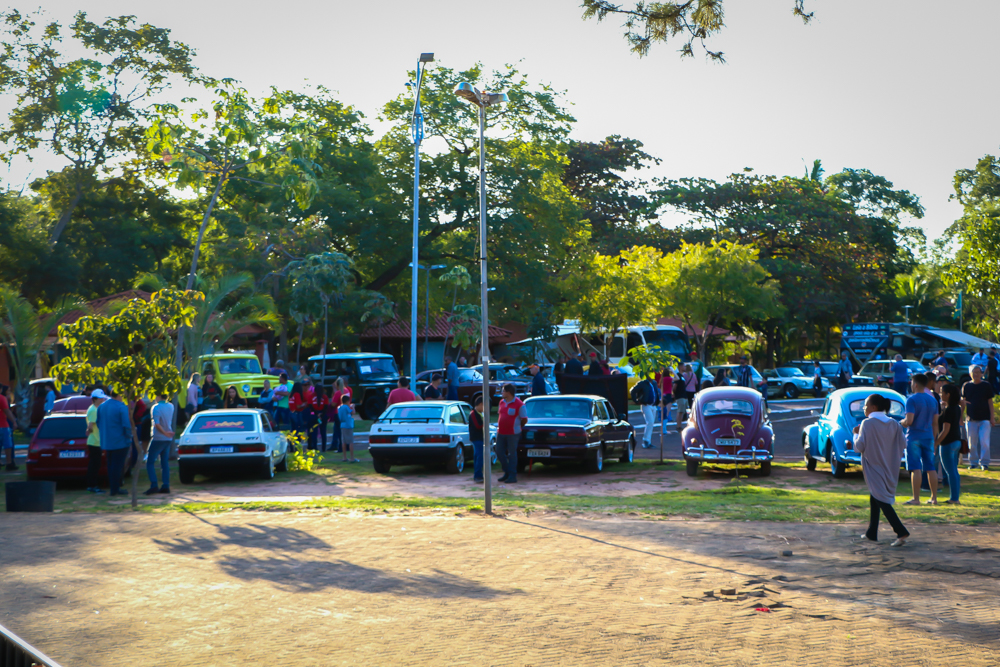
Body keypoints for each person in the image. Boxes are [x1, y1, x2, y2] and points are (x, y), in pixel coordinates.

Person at [853, 393, 909, 546]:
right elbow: (903, 444)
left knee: (881, 500)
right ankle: (872, 532)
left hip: (874, 466)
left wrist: (855, 435)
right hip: (889, 467)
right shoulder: (895, 424)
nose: (864, 408)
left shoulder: (867, 423)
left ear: (873, 407)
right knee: (875, 496)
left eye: (865, 405)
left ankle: (900, 531)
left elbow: (859, 447)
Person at [900, 373, 939, 505]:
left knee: (915, 468)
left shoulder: (911, 400)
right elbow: (935, 423)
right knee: (930, 467)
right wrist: (934, 439)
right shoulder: (933, 400)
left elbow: (909, 420)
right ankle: (934, 498)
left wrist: (902, 422)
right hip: (928, 436)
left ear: (915, 384)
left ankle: (916, 498)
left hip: (914, 436)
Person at [96, 388, 132, 497]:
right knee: (118, 466)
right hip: (120, 441)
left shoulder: (102, 406)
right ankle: (115, 489)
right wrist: (129, 437)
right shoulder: (121, 407)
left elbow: (98, 423)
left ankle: (113, 488)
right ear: (120, 395)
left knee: (111, 465)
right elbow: (126, 425)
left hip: (107, 441)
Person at [962, 364, 995, 471]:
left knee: (984, 442)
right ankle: (973, 462)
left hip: (984, 418)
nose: (976, 374)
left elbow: (990, 402)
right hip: (971, 419)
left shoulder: (986, 385)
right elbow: (963, 402)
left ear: (981, 373)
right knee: (972, 442)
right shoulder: (966, 386)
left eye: (978, 372)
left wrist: (992, 417)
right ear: (970, 374)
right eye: (973, 372)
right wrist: (960, 417)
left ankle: (984, 463)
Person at [936, 383, 964, 505]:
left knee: (950, 471)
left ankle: (954, 498)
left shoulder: (948, 410)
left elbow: (945, 430)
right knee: (954, 470)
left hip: (947, 443)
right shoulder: (956, 408)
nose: (941, 394)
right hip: (957, 441)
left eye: (942, 392)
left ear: (948, 395)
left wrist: (936, 443)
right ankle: (955, 496)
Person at [496, 384, 527, 484]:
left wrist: (517, 427)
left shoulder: (520, 404)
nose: (502, 392)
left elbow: (524, 419)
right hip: (501, 432)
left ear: (508, 392)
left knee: (512, 454)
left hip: (513, 433)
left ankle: (512, 475)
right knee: (499, 452)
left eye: (503, 391)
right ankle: (507, 472)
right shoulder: (501, 402)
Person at [145, 393, 174, 495]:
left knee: (150, 462)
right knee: (164, 462)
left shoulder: (156, 407)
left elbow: (157, 424)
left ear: (158, 396)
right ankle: (166, 485)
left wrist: (164, 433)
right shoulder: (171, 406)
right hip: (168, 438)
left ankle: (154, 485)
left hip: (158, 437)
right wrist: (167, 433)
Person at [84, 388, 106, 491]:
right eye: (100, 398)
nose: (102, 400)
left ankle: (92, 485)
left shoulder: (97, 408)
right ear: (95, 399)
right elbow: (91, 425)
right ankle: (92, 485)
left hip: (97, 441)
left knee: (96, 464)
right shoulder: (93, 410)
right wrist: (89, 430)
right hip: (94, 442)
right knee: (94, 465)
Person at [634, 374, 661, 449]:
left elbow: (656, 393)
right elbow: (633, 391)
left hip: (653, 405)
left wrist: (658, 401)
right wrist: (637, 400)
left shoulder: (654, 383)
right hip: (646, 405)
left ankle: (648, 441)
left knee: (651, 423)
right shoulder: (642, 383)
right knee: (650, 421)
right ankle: (646, 440)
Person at [330, 377, 352, 453]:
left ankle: (340, 447)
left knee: (338, 431)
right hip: (346, 413)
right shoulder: (347, 391)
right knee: (346, 431)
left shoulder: (338, 392)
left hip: (338, 413)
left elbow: (333, 403)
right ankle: (348, 446)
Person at [469, 396, 487, 483]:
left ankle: (478, 474)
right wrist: (485, 422)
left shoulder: (480, 413)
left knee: (478, 456)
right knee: (479, 457)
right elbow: (477, 425)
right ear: (480, 404)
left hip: (480, 438)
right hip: (476, 438)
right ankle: (478, 475)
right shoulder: (473, 414)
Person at [0, 384, 17, 472]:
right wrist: (14, 421)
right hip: (3, 425)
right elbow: (7, 411)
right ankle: (9, 463)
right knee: (8, 445)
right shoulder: (2, 398)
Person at [338, 393, 358, 463]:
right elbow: (353, 412)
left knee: (344, 441)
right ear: (347, 401)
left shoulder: (339, 407)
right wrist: (353, 407)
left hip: (342, 425)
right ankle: (352, 458)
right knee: (351, 442)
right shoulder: (346, 407)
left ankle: (344, 457)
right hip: (348, 425)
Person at [673, 365, 690, 432]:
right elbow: (675, 386)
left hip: (684, 395)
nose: (685, 368)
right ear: (680, 367)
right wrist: (674, 394)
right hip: (680, 396)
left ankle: (680, 425)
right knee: (680, 411)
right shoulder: (678, 375)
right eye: (684, 366)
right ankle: (678, 426)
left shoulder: (682, 376)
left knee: (682, 411)